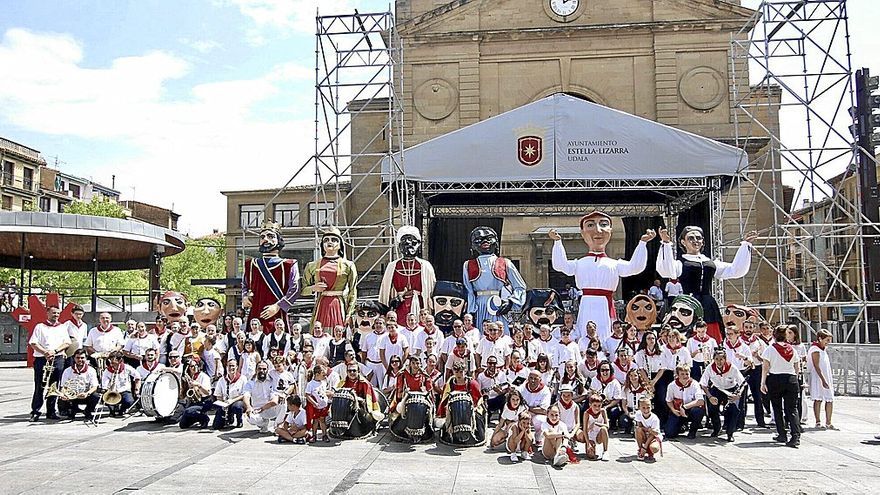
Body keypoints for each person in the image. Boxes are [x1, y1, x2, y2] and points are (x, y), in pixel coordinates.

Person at [549, 212, 655, 344]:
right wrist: (557, 242)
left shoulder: (614, 264)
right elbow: (560, 265)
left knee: (606, 334)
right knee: (585, 332)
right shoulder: (579, 263)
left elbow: (635, 267)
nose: (598, 230)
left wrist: (642, 243)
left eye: (603, 224)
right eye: (590, 225)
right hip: (586, 305)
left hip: (605, 305)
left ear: (610, 231)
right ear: (582, 233)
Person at [657, 226, 756, 343]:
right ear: (683, 242)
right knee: (687, 336)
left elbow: (736, 270)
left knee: (712, 336)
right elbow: (666, 270)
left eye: (698, 238)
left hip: (708, 304)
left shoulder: (711, 263)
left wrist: (746, 245)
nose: (695, 241)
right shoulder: (679, 263)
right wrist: (666, 244)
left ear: (703, 241)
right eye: (691, 238)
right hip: (688, 305)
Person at [462, 226, 527, 336]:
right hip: (479, 305)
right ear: (472, 245)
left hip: (498, 304)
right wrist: (470, 311)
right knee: (481, 335)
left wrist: (511, 301)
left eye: (489, 238)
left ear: (496, 242)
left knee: (501, 334)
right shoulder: (468, 265)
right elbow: (469, 290)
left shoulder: (505, 262)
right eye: (479, 239)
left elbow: (520, 286)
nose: (485, 241)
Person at [241, 220, 300, 333]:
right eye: (262, 237)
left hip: (277, 314)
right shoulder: (251, 264)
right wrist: (244, 296)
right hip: (256, 312)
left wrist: (278, 306)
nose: (265, 239)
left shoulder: (289, 264)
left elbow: (295, 289)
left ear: (278, 240)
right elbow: (245, 284)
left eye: (270, 236)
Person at [302, 226, 357, 330]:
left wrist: (349, 313)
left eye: (334, 240)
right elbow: (303, 290)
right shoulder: (312, 265)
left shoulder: (348, 265)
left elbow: (353, 291)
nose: (329, 242)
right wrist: (314, 288)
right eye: (326, 240)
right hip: (321, 304)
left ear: (340, 244)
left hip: (339, 305)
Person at [379, 226, 437, 323]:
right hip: (399, 306)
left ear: (418, 245)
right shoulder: (392, 266)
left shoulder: (425, 266)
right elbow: (385, 292)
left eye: (413, 243)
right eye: (405, 243)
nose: (409, 246)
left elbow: (431, 291)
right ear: (400, 246)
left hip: (420, 306)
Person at [761, 325, 802, 448]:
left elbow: (765, 367)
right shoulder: (793, 350)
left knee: (777, 408)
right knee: (792, 409)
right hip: (791, 379)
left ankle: (782, 434)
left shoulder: (769, 349)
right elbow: (797, 367)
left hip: (775, 379)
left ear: (774, 335)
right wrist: (795, 378)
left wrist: (763, 382)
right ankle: (795, 435)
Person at [28, 305, 70, 421]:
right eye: (53, 313)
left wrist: (54, 351)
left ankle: (51, 411)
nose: (56, 315)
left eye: (57, 313)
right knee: (39, 386)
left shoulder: (62, 327)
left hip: (57, 358)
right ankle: (35, 411)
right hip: (42, 359)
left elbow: (67, 343)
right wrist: (45, 352)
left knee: (54, 387)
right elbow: (33, 343)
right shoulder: (40, 327)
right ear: (47, 313)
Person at [699, 348, 745, 442]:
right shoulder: (710, 368)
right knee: (712, 408)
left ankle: (730, 433)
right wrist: (710, 396)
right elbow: (703, 384)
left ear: (725, 359)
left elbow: (743, 383)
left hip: (731, 389)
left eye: (721, 359)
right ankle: (716, 428)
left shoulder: (732, 368)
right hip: (717, 389)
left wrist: (738, 394)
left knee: (733, 410)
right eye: (716, 359)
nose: (719, 362)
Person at [56, 349, 100, 420]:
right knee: (61, 398)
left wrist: (87, 393)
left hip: (85, 395)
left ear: (86, 358)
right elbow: (63, 386)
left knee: (96, 396)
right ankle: (71, 410)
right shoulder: (67, 370)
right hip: (72, 396)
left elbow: (95, 386)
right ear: (74, 358)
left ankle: (88, 411)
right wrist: (64, 395)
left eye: (82, 358)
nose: (80, 360)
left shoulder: (91, 370)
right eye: (78, 358)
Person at [664, 364, 705, 439]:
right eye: (682, 374)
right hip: (677, 411)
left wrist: (684, 407)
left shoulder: (695, 384)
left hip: (690, 410)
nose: (685, 376)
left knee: (698, 411)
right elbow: (668, 400)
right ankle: (681, 426)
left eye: (687, 374)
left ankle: (692, 431)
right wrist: (673, 410)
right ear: (677, 375)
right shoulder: (672, 386)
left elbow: (701, 401)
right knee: (669, 434)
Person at [808, 329, 835, 429]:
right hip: (818, 377)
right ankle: (818, 421)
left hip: (826, 376)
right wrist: (823, 380)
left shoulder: (824, 349)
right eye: (827, 340)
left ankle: (829, 422)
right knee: (818, 398)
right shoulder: (815, 349)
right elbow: (816, 366)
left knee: (829, 399)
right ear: (820, 339)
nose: (828, 342)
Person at [243, 361, 280, 433]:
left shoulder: (273, 380)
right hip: (257, 410)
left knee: (282, 403)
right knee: (251, 418)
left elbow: (274, 400)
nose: (262, 371)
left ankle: (278, 426)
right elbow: (246, 396)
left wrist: (264, 408)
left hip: (271, 408)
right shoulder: (250, 383)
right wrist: (248, 407)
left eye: (264, 369)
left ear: (267, 370)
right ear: (256, 370)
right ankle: (264, 424)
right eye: (259, 369)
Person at [102, 351, 141, 417]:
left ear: (120, 360)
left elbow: (137, 376)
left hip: (124, 391)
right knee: (105, 399)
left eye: (114, 362)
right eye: (111, 362)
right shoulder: (107, 371)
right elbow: (104, 383)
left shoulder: (127, 368)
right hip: (112, 391)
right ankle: (112, 410)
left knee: (129, 402)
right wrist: (105, 389)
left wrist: (137, 389)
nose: (112, 364)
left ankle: (122, 410)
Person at [588, 361, 623, 432]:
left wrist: (607, 406)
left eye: (607, 370)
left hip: (610, 404)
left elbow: (617, 399)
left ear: (611, 370)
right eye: (602, 370)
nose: (605, 372)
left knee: (614, 412)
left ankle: (611, 425)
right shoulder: (595, 379)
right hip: (596, 403)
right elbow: (590, 394)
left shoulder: (615, 383)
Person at [520, 370, 552, 446]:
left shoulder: (545, 390)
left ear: (540, 380)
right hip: (523, 412)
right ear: (528, 378)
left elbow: (544, 410)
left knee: (541, 420)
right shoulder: (521, 388)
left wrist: (528, 408)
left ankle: (538, 438)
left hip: (536, 414)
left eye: (536, 379)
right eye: (531, 378)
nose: (533, 381)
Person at [178, 358, 213, 429]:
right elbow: (183, 394)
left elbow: (208, 392)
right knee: (183, 425)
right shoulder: (189, 377)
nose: (195, 368)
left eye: (196, 365)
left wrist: (198, 385)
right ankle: (198, 417)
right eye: (192, 366)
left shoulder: (204, 376)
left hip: (205, 401)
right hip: (194, 401)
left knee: (188, 411)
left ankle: (204, 418)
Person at [212, 358, 246, 429]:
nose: (231, 368)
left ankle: (239, 420)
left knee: (237, 407)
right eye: (229, 366)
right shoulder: (222, 380)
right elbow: (218, 395)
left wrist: (232, 401)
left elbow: (244, 395)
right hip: (225, 403)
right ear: (226, 367)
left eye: (233, 366)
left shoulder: (242, 378)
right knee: (216, 426)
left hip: (237, 401)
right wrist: (222, 404)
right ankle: (229, 417)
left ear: (237, 367)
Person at [305, 363, 332, 443]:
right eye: (323, 375)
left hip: (323, 405)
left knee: (323, 420)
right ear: (317, 374)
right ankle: (314, 435)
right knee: (315, 420)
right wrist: (314, 403)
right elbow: (307, 395)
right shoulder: (311, 384)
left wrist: (330, 394)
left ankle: (324, 435)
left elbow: (323, 391)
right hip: (316, 406)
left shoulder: (323, 382)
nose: (325, 377)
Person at [582, 393, 610, 460]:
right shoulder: (586, 413)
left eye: (599, 405)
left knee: (604, 429)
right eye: (594, 405)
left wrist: (597, 424)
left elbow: (607, 425)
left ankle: (605, 451)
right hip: (590, 436)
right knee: (591, 456)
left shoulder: (603, 411)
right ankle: (591, 447)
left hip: (599, 435)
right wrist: (588, 443)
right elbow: (585, 430)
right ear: (590, 405)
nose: (597, 408)